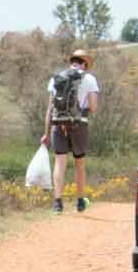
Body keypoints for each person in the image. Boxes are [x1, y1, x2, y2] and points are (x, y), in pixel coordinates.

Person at [43, 49, 101, 213]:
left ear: (72, 62)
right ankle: (80, 202)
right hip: (79, 124)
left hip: (58, 123)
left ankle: (57, 204)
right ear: (85, 64)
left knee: (59, 163)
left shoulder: (56, 78)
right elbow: (93, 107)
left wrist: (46, 133)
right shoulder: (89, 79)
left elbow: (50, 109)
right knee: (79, 164)